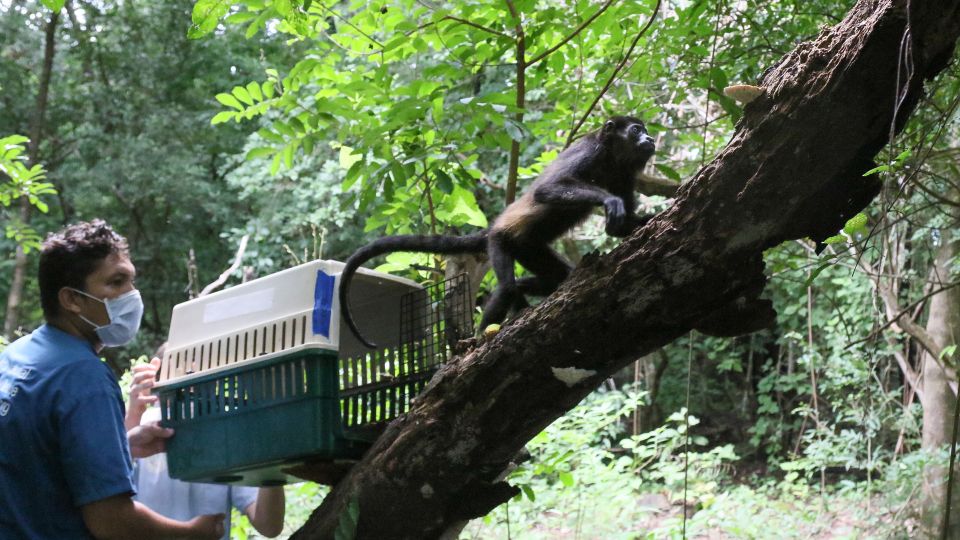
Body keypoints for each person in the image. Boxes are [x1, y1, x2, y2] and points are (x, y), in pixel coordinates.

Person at [0, 220, 224, 539]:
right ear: (72, 299)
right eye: (116, 282)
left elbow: (36, 462)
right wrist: (191, 533)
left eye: (131, 281)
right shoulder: (83, 376)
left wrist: (124, 445)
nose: (131, 295)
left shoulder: (16, 356)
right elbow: (111, 521)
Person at [125, 358, 285, 539]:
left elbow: (268, 525)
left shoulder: (228, 434)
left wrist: (272, 454)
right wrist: (134, 416)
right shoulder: (143, 430)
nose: (190, 388)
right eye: (182, 373)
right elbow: (109, 509)